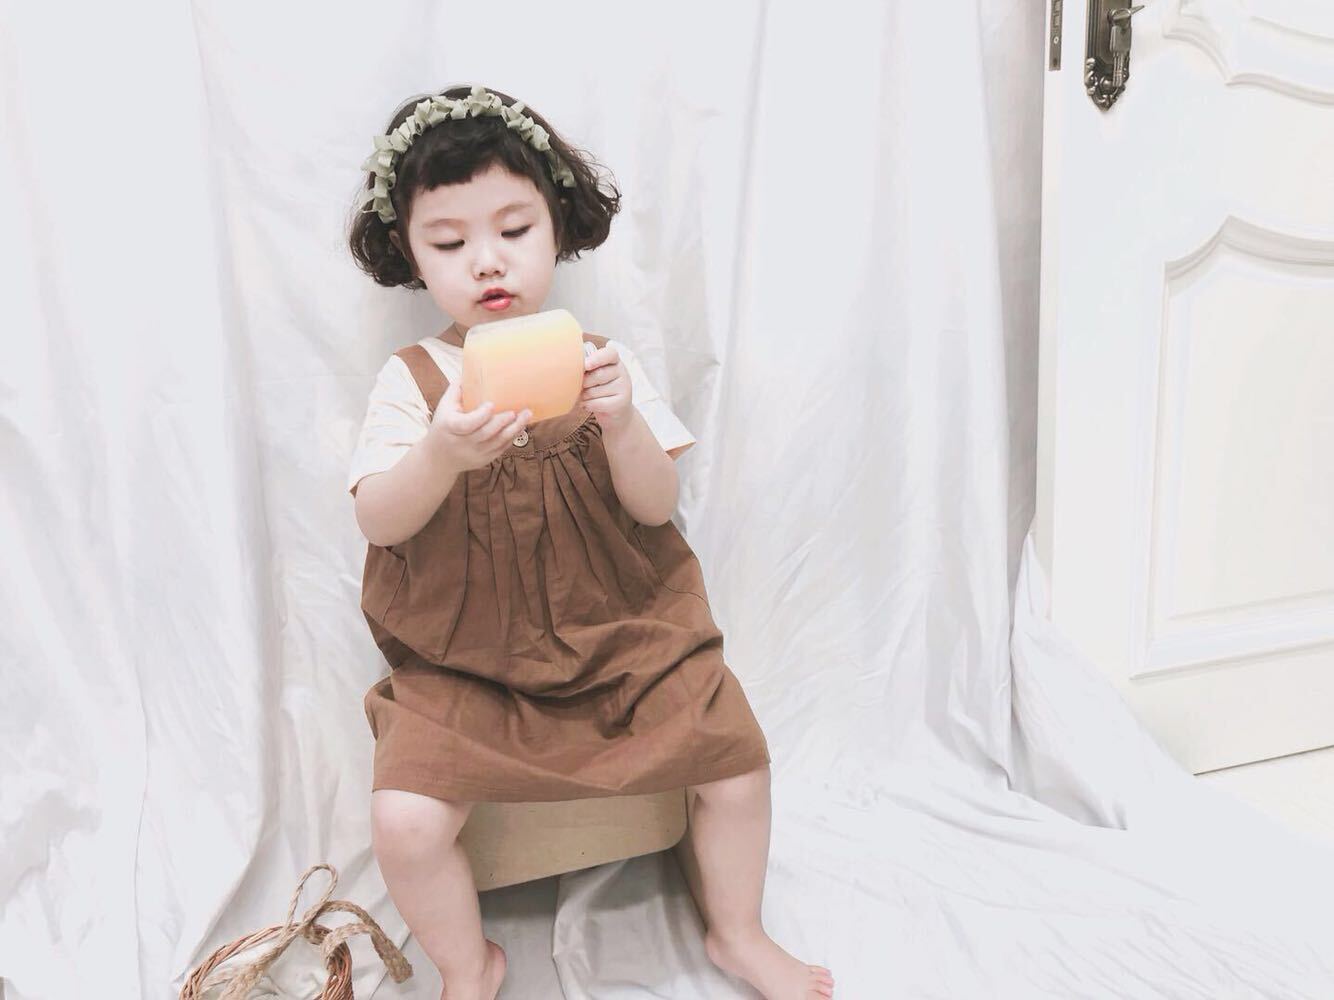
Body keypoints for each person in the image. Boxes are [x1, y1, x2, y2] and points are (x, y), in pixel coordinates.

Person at [345, 83, 835, 1000]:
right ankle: (469, 963)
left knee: (737, 764)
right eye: (448, 243)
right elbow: (378, 518)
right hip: (466, 662)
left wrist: (622, 425)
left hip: (622, 635)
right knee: (405, 823)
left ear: (557, 227)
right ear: (410, 254)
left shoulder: (603, 363)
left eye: (514, 229)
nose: (487, 261)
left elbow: (655, 509)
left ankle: (738, 931)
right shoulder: (414, 382)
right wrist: (442, 454)